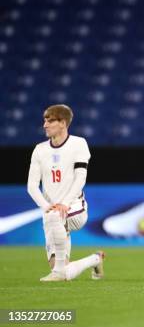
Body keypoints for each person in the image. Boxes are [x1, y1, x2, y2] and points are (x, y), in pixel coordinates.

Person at [27, 104, 104, 282]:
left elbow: (80, 178)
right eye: (45, 120)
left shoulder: (79, 144)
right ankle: (96, 259)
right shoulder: (40, 149)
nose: (45, 125)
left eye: (50, 120)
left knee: (55, 216)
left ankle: (58, 273)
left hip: (75, 207)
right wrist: (46, 206)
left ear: (63, 123)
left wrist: (65, 203)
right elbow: (31, 186)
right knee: (62, 270)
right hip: (52, 212)